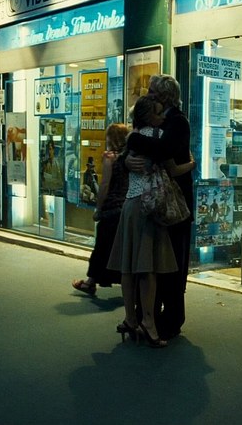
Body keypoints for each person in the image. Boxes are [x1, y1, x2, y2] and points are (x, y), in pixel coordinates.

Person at [107, 95, 195, 347]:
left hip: (131, 204)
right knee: (149, 270)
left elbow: (123, 160)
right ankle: (148, 322)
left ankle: (130, 318)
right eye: (157, 113)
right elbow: (173, 169)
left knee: (128, 268)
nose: (162, 117)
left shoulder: (133, 137)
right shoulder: (157, 137)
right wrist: (191, 163)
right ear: (149, 116)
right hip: (150, 207)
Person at [128, 74, 195, 340]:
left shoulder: (177, 121)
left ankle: (171, 319)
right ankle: (150, 316)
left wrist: (132, 139)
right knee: (155, 264)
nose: (148, 94)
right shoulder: (157, 121)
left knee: (174, 265)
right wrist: (126, 158)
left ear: (164, 96)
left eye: (152, 90)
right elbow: (138, 156)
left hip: (174, 205)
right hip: (157, 202)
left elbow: (162, 150)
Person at [72, 123, 130, 296]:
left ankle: (90, 282)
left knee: (102, 247)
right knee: (122, 248)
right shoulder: (129, 157)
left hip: (112, 207)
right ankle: (127, 285)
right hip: (126, 207)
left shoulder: (110, 157)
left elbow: (104, 185)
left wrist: (98, 208)